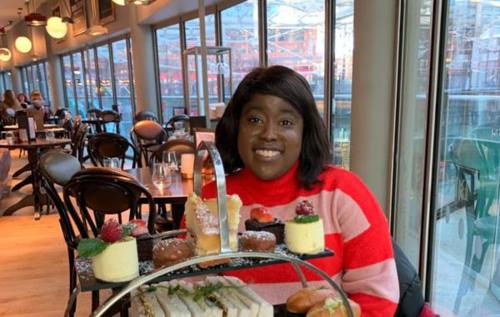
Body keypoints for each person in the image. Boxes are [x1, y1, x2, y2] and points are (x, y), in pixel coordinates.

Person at [202, 66, 399, 316]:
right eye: (254, 120)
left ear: (305, 132)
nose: (269, 134)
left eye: (286, 122)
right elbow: (190, 293)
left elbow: (377, 299)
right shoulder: (212, 200)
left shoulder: (342, 193)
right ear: (236, 126)